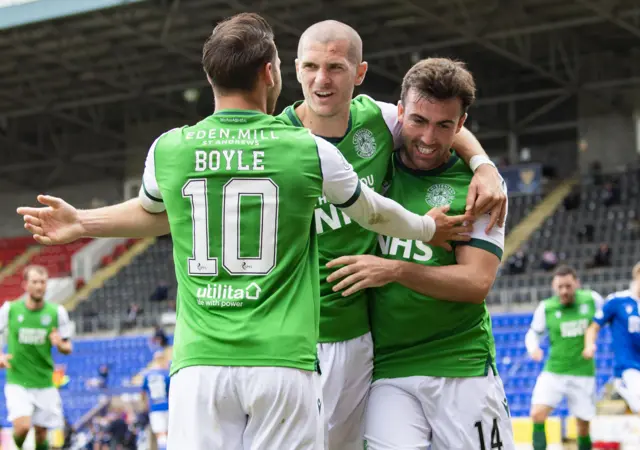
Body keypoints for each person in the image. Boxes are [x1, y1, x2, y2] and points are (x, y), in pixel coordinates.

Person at [17, 13, 472, 450]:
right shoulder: (304, 149)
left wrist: (82, 223)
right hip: (287, 354)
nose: (321, 79)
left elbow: (154, 212)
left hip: (212, 359)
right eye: (310, 67)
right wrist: (426, 229)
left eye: (335, 67)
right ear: (275, 73)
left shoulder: (171, 147)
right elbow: (375, 212)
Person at [276, 20, 507, 449]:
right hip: (312, 343)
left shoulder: (383, 127)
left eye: (335, 67)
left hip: (425, 356)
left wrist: (484, 166)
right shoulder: (275, 144)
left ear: (359, 74)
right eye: (311, 66)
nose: (426, 136)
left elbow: (477, 283)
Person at [326, 57, 514, 450]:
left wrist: (395, 270)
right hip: (387, 371)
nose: (428, 137)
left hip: (460, 364)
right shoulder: (373, 168)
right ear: (399, 115)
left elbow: (476, 283)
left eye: (444, 125)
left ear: (461, 126)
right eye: (418, 122)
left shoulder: (482, 191)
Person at [524, 265, 604, 450]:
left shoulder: (592, 299)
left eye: (568, 286)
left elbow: (605, 319)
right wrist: (533, 348)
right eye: (560, 287)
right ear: (554, 286)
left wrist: (592, 343)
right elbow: (533, 333)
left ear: (577, 284)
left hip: (583, 372)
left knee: (583, 427)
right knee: (537, 414)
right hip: (554, 371)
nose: (564, 291)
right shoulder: (546, 307)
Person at [0, 265, 73, 450]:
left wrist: (59, 344)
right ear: (25, 285)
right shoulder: (10, 309)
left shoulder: (57, 312)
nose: (39, 286)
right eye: (35, 282)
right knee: (23, 427)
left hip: (44, 381)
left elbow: (68, 347)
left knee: (42, 433)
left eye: (42, 282)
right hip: (18, 381)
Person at [584, 262, 640, 415]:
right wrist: (589, 345)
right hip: (629, 369)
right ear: (637, 275)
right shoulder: (618, 301)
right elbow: (593, 327)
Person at [141, 351, 171, 450]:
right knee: (167, 433)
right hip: (167, 405)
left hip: (155, 407)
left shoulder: (147, 375)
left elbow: (143, 393)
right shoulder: (167, 374)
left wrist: (145, 405)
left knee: (160, 434)